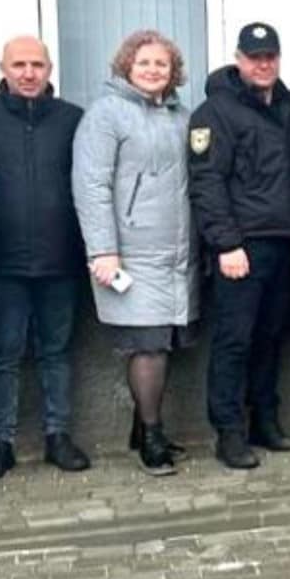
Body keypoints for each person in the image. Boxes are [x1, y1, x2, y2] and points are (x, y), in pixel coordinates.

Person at [0, 37, 90, 483]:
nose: (29, 72)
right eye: (19, 64)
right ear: (2, 67)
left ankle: (58, 436)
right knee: (2, 356)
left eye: (37, 64)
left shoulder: (73, 119)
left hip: (61, 259)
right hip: (1, 263)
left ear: (50, 68)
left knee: (56, 353)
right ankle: (1, 444)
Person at [72, 30, 195, 476]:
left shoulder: (182, 116)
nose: (153, 70)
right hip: (130, 254)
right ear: (126, 65)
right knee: (147, 347)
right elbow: (91, 186)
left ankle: (142, 429)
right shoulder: (106, 115)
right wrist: (103, 249)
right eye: (144, 62)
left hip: (177, 253)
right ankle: (153, 436)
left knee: (164, 342)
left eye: (161, 63)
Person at [189, 22, 290, 470]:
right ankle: (229, 431)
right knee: (234, 341)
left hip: (284, 241)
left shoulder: (289, 108)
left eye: (270, 56)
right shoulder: (215, 112)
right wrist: (227, 243)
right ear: (239, 59)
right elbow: (206, 182)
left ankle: (264, 420)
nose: (263, 64)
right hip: (242, 246)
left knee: (270, 338)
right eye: (255, 57)